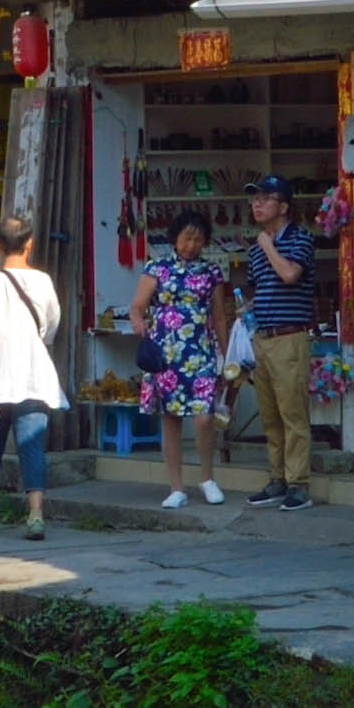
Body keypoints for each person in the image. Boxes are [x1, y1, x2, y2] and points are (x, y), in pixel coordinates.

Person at [0, 212, 70, 535]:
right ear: (30, 245)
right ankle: (35, 515)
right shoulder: (43, 281)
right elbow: (51, 327)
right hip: (35, 377)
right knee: (33, 448)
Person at [229, 179, 334, 507]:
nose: (257, 205)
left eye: (265, 199)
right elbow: (262, 289)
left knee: (292, 413)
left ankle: (298, 484)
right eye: (254, 200)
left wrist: (268, 245)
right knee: (270, 415)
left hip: (290, 337)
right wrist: (245, 309)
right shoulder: (257, 248)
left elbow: (290, 275)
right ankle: (277, 478)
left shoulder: (299, 238)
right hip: (263, 336)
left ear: (284, 206)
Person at [133, 207, 232, 510]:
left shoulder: (211, 272)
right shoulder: (156, 268)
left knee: (205, 418)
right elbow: (138, 306)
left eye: (198, 239)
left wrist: (227, 357)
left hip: (200, 351)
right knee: (171, 419)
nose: (192, 245)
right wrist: (140, 324)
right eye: (187, 238)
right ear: (175, 239)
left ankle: (207, 478)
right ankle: (176, 487)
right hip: (166, 354)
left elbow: (218, 316)